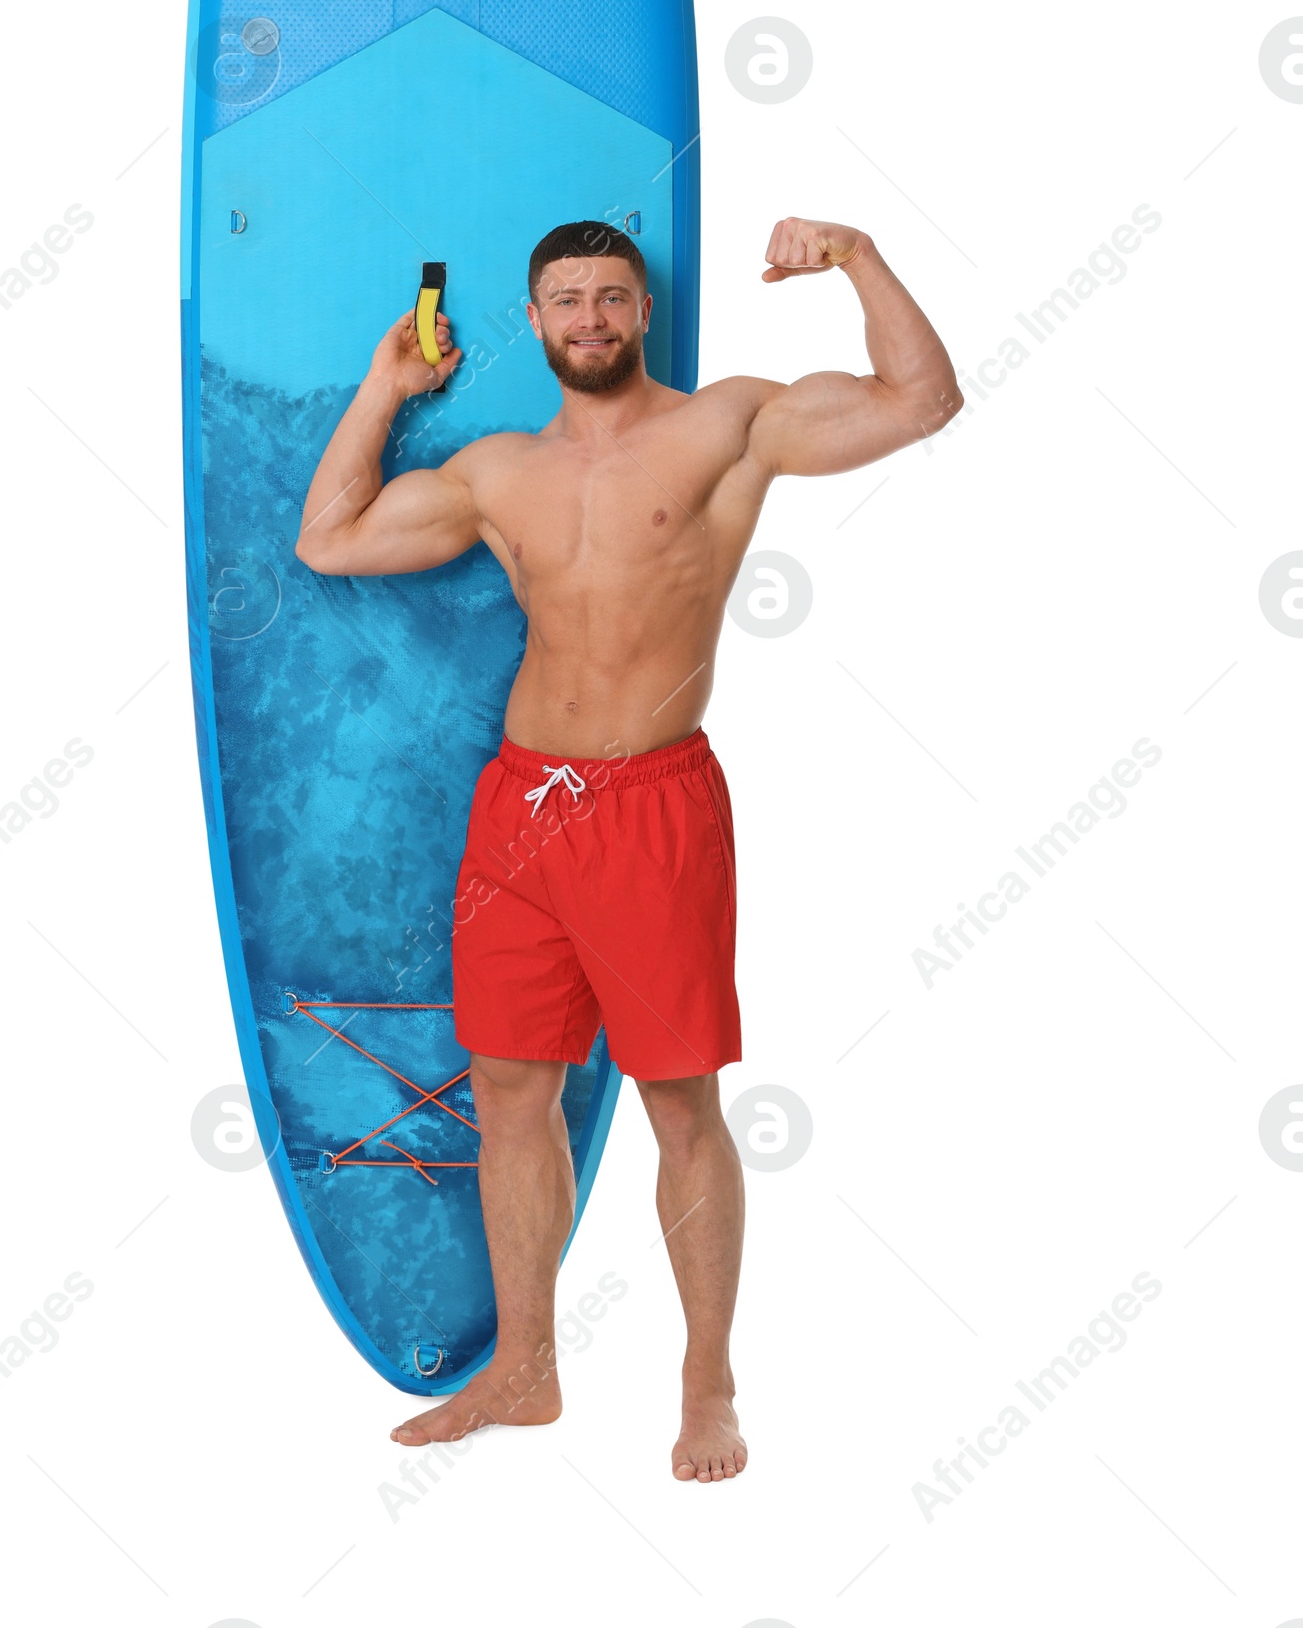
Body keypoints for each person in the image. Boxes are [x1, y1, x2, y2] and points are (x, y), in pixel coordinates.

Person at [295, 216, 961, 1481]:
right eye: (564, 299)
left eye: (610, 295)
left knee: (679, 1103)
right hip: (518, 811)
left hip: (652, 808)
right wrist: (387, 384)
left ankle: (706, 1384)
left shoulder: (727, 426)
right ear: (532, 320)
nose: (589, 316)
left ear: (642, 310)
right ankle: (526, 1370)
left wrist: (858, 256)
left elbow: (921, 399)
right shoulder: (497, 471)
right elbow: (328, 539)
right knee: (506, 1091)